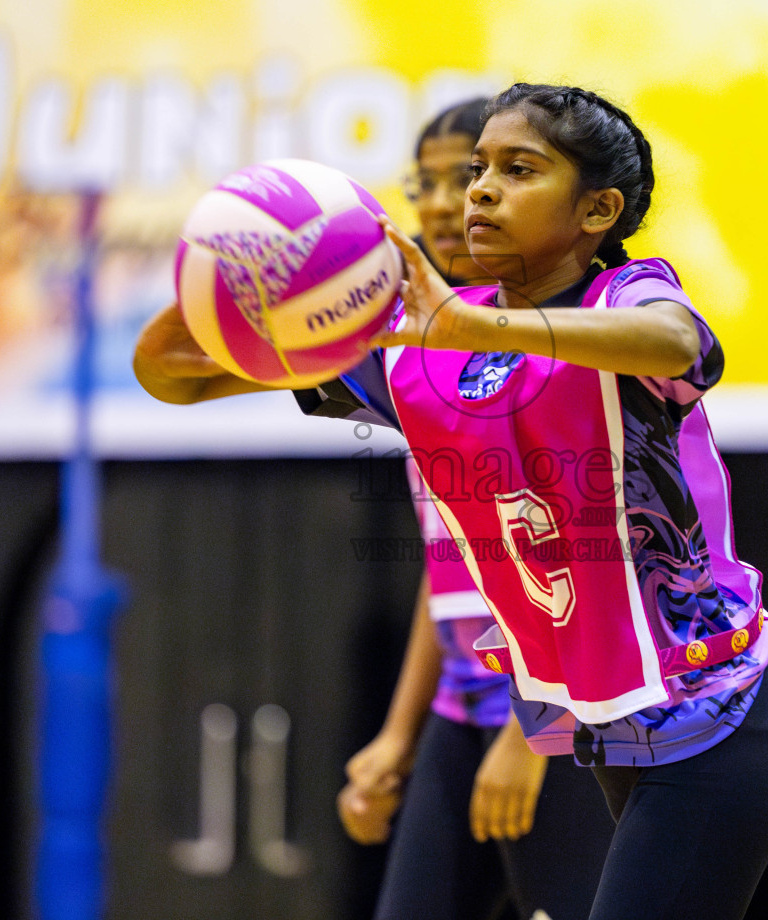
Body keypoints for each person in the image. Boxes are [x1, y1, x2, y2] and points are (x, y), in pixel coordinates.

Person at [135, 84, 768, 920]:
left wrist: (472, 329)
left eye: (519, 169)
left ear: (598, 210)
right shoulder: (423, 343)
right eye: (478, 170)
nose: (481, 191)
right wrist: (235, 271)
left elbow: (677, 341)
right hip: (620, 729)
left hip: (724, 710)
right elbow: (174, 376)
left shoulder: (626, 299)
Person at [329, 98, 615, 920]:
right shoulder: (416, 353)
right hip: (464, 701)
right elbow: (454, 570)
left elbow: (599, 554)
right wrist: (398, 734)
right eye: (426, 182)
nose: (447, 201)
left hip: (568, 708)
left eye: (476, 176)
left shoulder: (564, 333)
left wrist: (536, 733)